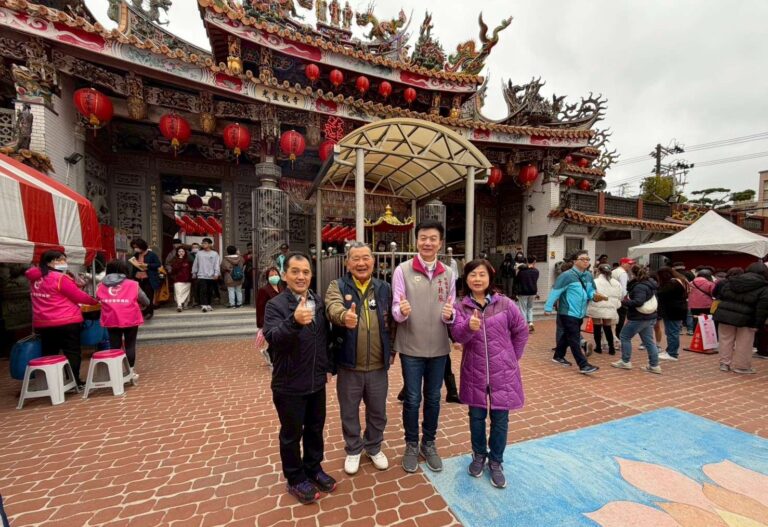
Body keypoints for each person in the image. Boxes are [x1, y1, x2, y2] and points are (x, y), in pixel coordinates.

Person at [263, 252, 336, 505]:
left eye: (305, 272)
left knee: (315, 429)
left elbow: (324, 339)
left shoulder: (317, 300)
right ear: (285, 275)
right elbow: (273, 338)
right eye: (295, 271)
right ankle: (295, 478)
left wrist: (328, 367)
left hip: (316, 381)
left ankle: (314, 468)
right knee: (292, 433)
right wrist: (293, 322)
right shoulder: (276, 305)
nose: (301, 276)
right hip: (289, 383)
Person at [450, 259, 528, 489]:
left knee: (500, 420)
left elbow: (521, 331)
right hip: (474, 370)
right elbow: (457, 336)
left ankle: (496, 461)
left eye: (481, 274)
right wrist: (468, 328)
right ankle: (478, 455)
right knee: (476, 417)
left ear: (490, 278)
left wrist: (512, 357)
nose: (477, 279)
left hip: (502, 371)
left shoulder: (505, 304)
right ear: (466, 278)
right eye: (472, 274)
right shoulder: (461, 306)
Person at [392, 220, 456, 473]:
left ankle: (428, 443)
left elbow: (450, 311)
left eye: (433, 238)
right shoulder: (403, 270)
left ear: (440, 243)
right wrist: (401, 312)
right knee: (412, 398)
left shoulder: (449, 274)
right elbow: (396, 308)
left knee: (433, 398)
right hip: (411, 346)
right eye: (423, 238)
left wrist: (450, 316)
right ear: (416, 241)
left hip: (439, 347)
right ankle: (410, 444)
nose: (427, 242)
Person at [325, 242, 392, 475]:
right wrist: (344, 316)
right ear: (347, 263)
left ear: (373, 261)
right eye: (356, 258)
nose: (361, 263)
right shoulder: (337, 285)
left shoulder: (384, 288)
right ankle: (353, 449)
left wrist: (391, 351)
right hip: (348, 363)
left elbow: (392, 322)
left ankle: (374, 446)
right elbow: (332, 307)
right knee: (349, 410)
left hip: (377, 365)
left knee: (377, 411)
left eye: (366, 258)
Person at [25, 251, 98, 387]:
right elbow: (78, 296)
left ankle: (52, 384)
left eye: (64, 259)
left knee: (49, 352)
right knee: (72, 351)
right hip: (66, 321)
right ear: (48, 262)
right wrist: (94, 301)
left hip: (43, 322)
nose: (63, 263)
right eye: (59, 260)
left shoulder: (34, 279)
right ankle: (74, 382)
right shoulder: (59, 278)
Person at [544, 250, 605, 374]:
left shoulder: (588, 276)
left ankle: (558, 356)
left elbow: (590, 291)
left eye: (588, 259)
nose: (586, 261)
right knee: (574, 338)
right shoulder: (566, 276)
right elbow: (555, 292)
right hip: (567, 312)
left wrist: (594, 296)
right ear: (574, 261)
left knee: (568, 335)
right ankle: (583, 365)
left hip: (580, 312)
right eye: (583, 259)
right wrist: (548, 307)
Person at [713, 262, 768, 374]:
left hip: (725, 315)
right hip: (747, 319)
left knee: (725, 340)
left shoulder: (731, 281)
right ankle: (741, 367)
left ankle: (724, 364)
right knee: (744, 343)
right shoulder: (764, 287)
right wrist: (758, 324)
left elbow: (722, 295)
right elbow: (762, 308)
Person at [97, 259, 148, 378]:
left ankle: (116, 373)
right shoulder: (132, 284)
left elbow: (97, 298)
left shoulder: (101, 285)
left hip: (110, 318)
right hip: (130, 317)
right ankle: (130, 372)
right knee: (130, 345)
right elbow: (145, 300)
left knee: (114, 345)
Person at [612, 265, 662, 374]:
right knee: (649, 341)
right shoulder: (651, 285)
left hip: (639, 317)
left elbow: (638, 302)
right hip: (649, 316)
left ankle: (625, 361)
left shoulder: (640, 287)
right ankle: (654, 365)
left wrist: (623, 302)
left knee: (624, 336)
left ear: (633, 274)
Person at [655, 266, 690, 362]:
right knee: (672, 331)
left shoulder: (672, 283)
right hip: (678, 309)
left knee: (672, 332)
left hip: (673, 310)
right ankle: (670, 350)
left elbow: (661, 293)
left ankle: (672, 353)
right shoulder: (680, 280)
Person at [587, 263, 622, 355]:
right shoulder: (616, 283)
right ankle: (611, 348)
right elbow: (621, 295)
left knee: (597, 327)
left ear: (598, 271)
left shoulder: (595, 281)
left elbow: (591, 294)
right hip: (610, 307)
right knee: (608, 327)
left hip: (596, 306)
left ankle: (598, 347)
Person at [256, 267, 283, 368]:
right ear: (267, 277)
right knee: (274, 339)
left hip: (281, 318)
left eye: (275, 274)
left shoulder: (281, 288)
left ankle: (268, 353)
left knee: (278, 339)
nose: (274, 277)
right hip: (270, 319)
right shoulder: (264, 290)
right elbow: (260, 307)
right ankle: (272, 358)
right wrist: (261, 323)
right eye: (271, 275)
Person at [128, 238, 161, 320]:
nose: (135, 249)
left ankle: (149, 312)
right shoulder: (136, 255)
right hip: (138, 279)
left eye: (137, 247)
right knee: (139, 296)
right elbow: (134, 267)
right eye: (134, 247)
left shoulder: (152, 254)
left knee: (148, 296)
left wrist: (147, 265)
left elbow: (158, 264)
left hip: (149, 279)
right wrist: (132, 277)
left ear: (142, 246)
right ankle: (142, 312)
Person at [192, 237, 221, 313]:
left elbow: (216, 264)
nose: (203, 244)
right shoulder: (199, 253)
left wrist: (216, 273)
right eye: (203, 243)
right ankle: (203, 305)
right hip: (201, 275)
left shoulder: (214, 254)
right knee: (203, 290)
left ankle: (208, 304)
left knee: (210, 291)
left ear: (210, 244)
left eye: (205, 243)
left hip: (211, 275)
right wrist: (194, 272)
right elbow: (196, 263)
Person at [611, 258, 634, 340]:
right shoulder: (623, 273)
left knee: (612, 320)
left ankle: (611, 338)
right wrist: (623, 299)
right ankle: (617, 337)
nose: (631, 266)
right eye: (629, 264)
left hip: (612, 298)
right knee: (620, 320)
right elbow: (623, 288)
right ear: (623, 263)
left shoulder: (614, 271)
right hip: (620, 299)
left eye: (631, 264)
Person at [515, 256, 540, 332]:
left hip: (523, 292)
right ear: (534, 261)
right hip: (533, 292)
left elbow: (517, 281)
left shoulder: (521, 272)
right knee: (530, 308)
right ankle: (531, 323)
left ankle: (524, 325)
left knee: (523, 309)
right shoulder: (536, 271)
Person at [169, 246, 192, 312]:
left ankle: (185, 304)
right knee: (178, 292)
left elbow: (191, 270)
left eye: (182, 251)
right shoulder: (174, 260)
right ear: (177, 253)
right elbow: (174, 270)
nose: (181, 253)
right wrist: (179, 261)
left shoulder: (188, 260)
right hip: (178, 279)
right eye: (179, 251)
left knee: (186, 293)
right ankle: (179, 305)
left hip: (187, 279)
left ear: (185, 252)